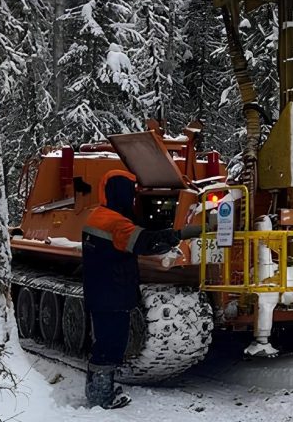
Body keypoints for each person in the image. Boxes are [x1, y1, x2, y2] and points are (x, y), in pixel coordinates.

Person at [82, 169, 205, 409]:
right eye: (131, 192)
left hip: (101, 290)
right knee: (111, 344)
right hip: (112, 293)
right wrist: (179, 234)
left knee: (104, 342)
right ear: (120, 192)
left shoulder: (98, 215)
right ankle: (101, 397)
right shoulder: (115, 222)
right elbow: (142, 241)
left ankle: (98, 390)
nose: (134, 198)